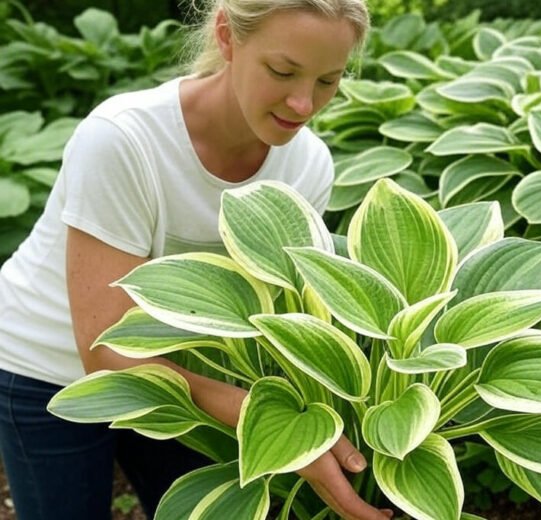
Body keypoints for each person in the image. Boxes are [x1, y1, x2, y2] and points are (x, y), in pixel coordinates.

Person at [0, 1, 393, 519]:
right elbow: (104, 348)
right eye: (282, 71)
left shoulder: (307, 163)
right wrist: (269, 425)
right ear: (228, 37)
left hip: (187, 374)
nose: (303, 103)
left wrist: (305, 429)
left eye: (328, 81)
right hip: (50, 370)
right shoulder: (123, 139)